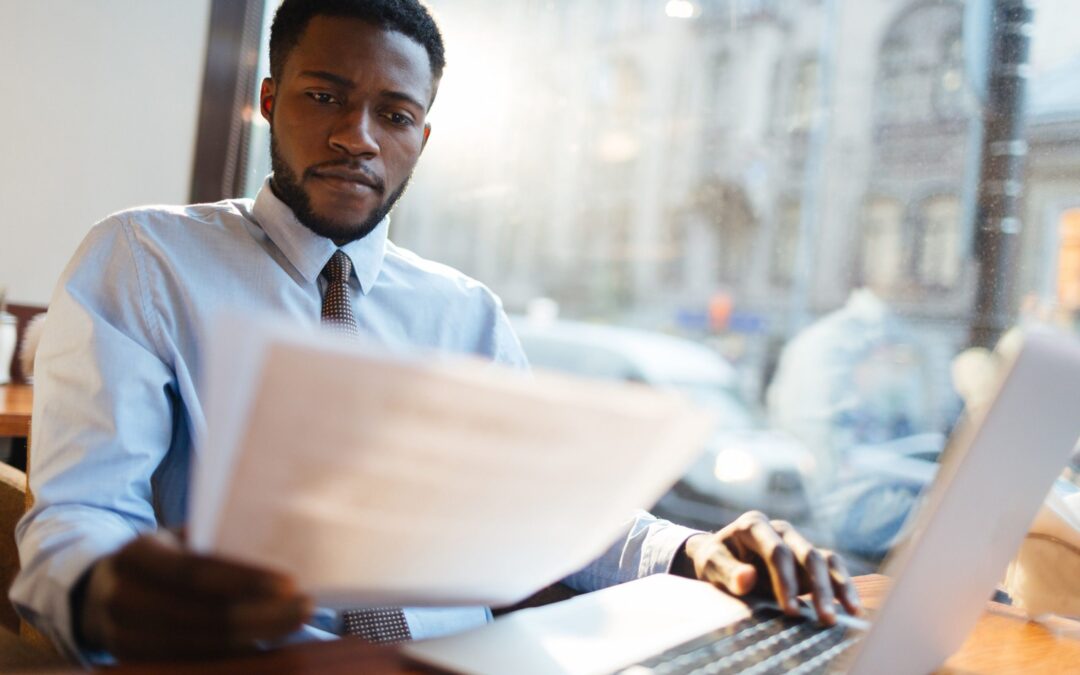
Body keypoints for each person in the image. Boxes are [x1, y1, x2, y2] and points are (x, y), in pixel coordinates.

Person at [11, 0, 859, 663]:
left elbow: (548, 510)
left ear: (423, 135)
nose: (357, 137)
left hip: (466, 663)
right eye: (324, 97)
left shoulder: (466, 311)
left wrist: (697, 547)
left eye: (396, 113)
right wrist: (102, 591)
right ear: (269, 102)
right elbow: (80, 513)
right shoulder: (146, 256)